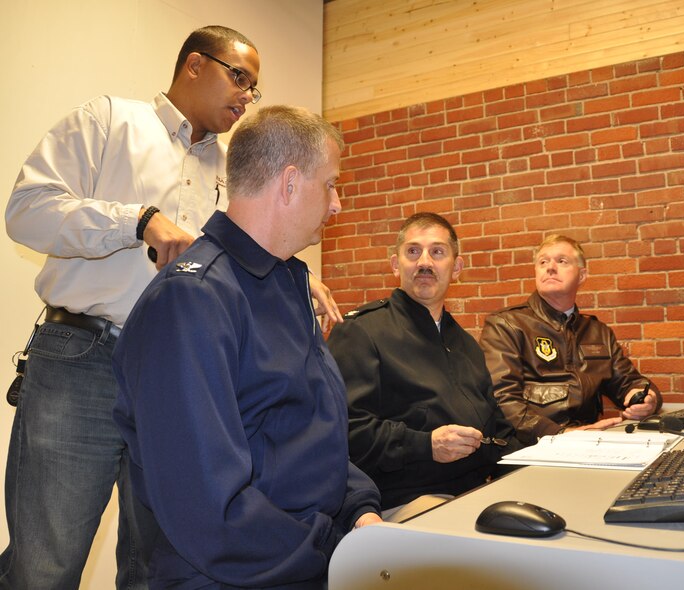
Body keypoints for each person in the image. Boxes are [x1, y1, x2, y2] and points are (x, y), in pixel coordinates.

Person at [2, 26, 339, 589]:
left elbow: (248, 250)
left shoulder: (235, 164)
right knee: (45, 564)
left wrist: (290, 282)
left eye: (255, 89)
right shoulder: (110, 121)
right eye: (239, 78)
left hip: (178, 377)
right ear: (193, 66)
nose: (247, 97)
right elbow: (26, 210)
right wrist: (137, 219)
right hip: (82, 357)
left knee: (157, 561)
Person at [112, 105, 382, 588]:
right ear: (291, 183)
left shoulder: (284, 280)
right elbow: (210, 510)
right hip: (240, 573)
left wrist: (360, 509)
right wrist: (332, 549)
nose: (337, 204)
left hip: (300, 553)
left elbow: (307, 430)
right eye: (332, 184)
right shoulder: (192, 301)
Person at [326, 213, 515, 513]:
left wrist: (556, 452)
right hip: (406, 500)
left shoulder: (466, 344)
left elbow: (499, 432)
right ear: (395, 264)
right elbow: (344, 430)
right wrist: (426, 446)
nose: (424, 261)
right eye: (413, 251)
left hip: (477, 494)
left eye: (437, 252)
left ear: (457, 267)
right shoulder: (362, 331)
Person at [479, 234, 661, 447]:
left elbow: (628, 382)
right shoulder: (507, 325)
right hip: (530, 448)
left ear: (582, 275)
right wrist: (562, 435)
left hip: (590, 443)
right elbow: (501, 400)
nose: (550, 267)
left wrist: (646, 399)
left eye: (561, 261)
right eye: (543, 262)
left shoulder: (597, 331)